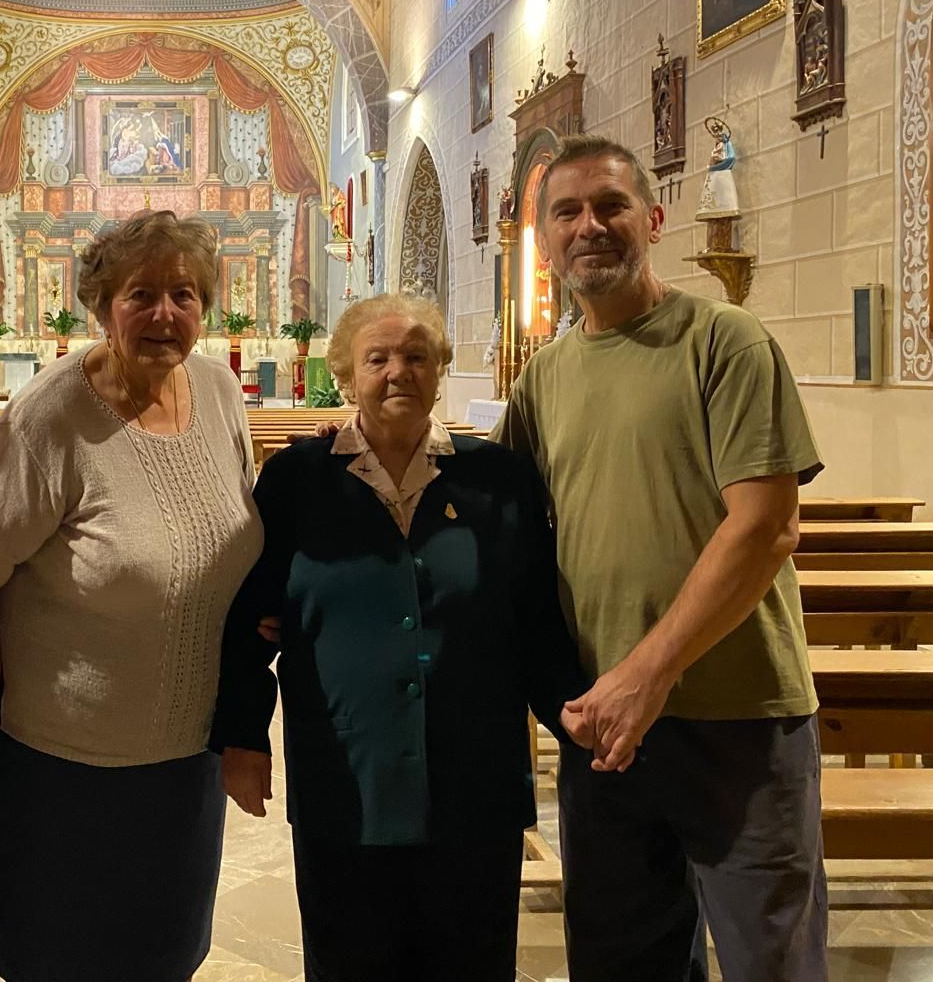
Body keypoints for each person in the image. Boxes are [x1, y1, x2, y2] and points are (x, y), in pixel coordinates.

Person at [494, 134, 826, 982]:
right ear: (544, 240)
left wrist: (650, 672)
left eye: (609, 205)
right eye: (565, 212)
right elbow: (498, 521)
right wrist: (353, 451)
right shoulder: (545, 378)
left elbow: (765, 528)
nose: (589, 226)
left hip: (737, 715)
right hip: (605, 728)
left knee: (771, 962)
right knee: (620, 961)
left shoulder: (723, 340)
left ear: (654, 216)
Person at [0, 209, 264, 982]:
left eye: (184, 294)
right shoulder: (50, 416)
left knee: (166, 957)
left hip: (183, 766)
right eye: (141, 294)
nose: (165, 313)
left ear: (206, 307)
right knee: (57, 959)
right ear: (101, 307)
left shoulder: (220, 389)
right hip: (62, 772)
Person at [213, 291, 587, 981]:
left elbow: (535, 618)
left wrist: (576, 715)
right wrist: (241, 737)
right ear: (346, 376)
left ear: (440, 369)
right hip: (347, 776)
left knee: (472, 962)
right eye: (377, 358)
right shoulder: (296, 480)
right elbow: (250, 616)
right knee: (351, 960)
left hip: (476, 781)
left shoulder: (499, 479)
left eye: (417, 356)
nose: (398, 372)